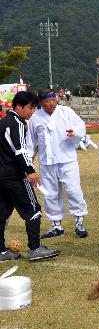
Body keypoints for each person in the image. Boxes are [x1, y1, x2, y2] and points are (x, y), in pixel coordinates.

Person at [0, 91, 61, 262]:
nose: (32, 111)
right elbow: (20, 150)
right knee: (33, 210)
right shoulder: (17, 123)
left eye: (34, 108)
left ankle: (1, 251)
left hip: (2, 177)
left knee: (2, 213)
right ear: (18, 107)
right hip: (15, 176)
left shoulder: (3, 122)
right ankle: (35, 248)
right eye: (30, 108)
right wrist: (30, 170)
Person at [27, 88, 90, 239]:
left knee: (73, 190)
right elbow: (31, 143)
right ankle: (56, 225)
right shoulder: (35, 118)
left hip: (67, 160)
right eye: (47, 101)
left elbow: (80, 127)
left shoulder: (66, 112)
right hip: (47, 163)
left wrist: (74, 132)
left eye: (53, 100)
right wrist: (29, 164)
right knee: (50, 194)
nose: (51, 103)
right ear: (41, 103)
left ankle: (79, 222)